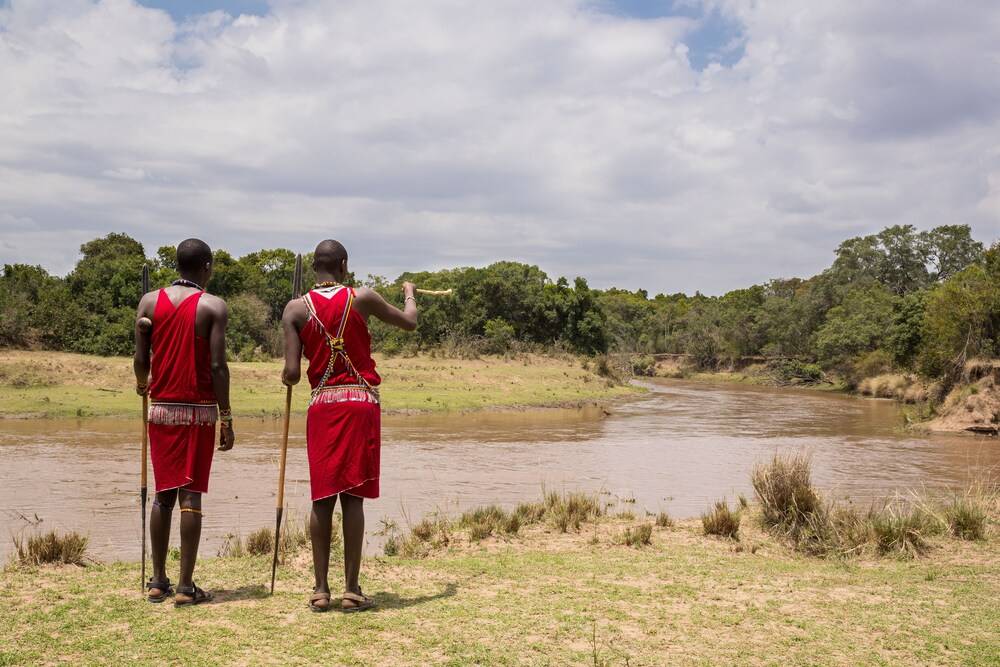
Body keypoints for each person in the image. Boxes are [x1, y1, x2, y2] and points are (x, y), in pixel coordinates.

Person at [281, 239, 416, 612]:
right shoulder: (363, 297)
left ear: (315, 267)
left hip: (323, 407)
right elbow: (410, 322)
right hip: (359, 403)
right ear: (343, 265)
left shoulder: (295, 308)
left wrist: (287, 373)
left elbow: (292, 374)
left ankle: (320, 590)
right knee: (353, 498)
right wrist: (409, 293)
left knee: (322, 498)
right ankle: (352, 590)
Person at [134, 238, 235, 606]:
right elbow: (218, 367)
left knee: (163, 495)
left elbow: (141, 359)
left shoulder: (148, 302)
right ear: (206, 266)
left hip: (161, 410)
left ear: (177, 264)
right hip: (198, 412)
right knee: (190, 496)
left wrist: (142, 384)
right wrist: (226, 416)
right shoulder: (213, 306)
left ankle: (157, 581)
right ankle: (185, 586)